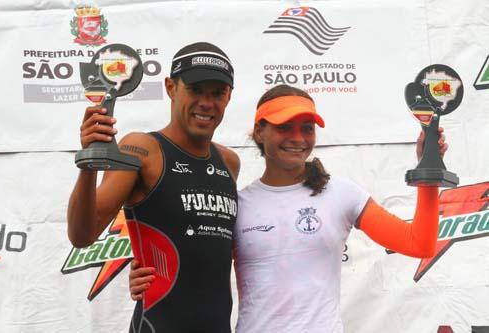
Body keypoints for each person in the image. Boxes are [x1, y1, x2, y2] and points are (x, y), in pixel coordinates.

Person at [129, 84, 447, 332]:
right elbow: (197, 267)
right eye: (285, 127)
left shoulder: (341, 193)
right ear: (259, 132)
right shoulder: (237, 205)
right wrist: (146, 275)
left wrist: (429, 173)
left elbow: (418, 243)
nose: (298, 138)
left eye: (307, 127)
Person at [67, 42, 240, 333]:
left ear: (229, 97)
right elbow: (82, 234)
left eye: (217, 93)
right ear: (171, 87)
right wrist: (89, 164)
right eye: (196, 90)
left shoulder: (229, 161)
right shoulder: (142, 150)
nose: (206, 103)